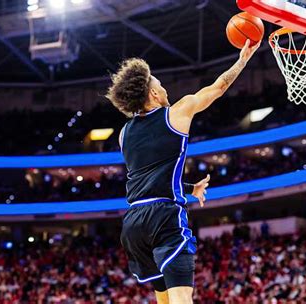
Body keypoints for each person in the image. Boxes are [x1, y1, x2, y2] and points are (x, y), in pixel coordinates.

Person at [105, 39, 260, 303]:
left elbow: (148, 175)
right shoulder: (177, 112)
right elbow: (218, 87)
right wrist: (242, 60)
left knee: (164, 300)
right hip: (164, 217)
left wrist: (190, 188)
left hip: (133, 225)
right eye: (159, 84)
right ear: (153, 94)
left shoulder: (124, 134)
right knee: (181, 299)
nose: (164, 88)